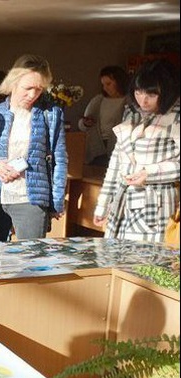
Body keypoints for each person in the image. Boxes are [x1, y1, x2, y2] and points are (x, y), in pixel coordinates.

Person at [0, 54, 68, 241]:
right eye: (28, 88)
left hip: (31, 199)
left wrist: (56, 202)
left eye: (39, 89)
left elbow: (60, 159)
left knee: (30, 262)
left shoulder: (51, 114)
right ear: (13, 83)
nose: (33, 95)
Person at [93, 58, 180, 243]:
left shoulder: (176, 116)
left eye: (151, 94)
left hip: (158, 202)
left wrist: (149, 173)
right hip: (123, 201)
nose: (144, 99)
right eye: (138, 92)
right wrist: (102, 206)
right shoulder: (131, 112)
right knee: (118, 258)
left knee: (149, 262)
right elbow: (116, 161)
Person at [78, 65, 130, 166]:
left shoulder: (129, 102)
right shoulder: (98, 100)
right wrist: (86, 123)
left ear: (119, 82)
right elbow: (82, 125)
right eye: (103, 85)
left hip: (119, 150)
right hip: (97, 149)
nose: (105, 88)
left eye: (108, 84)